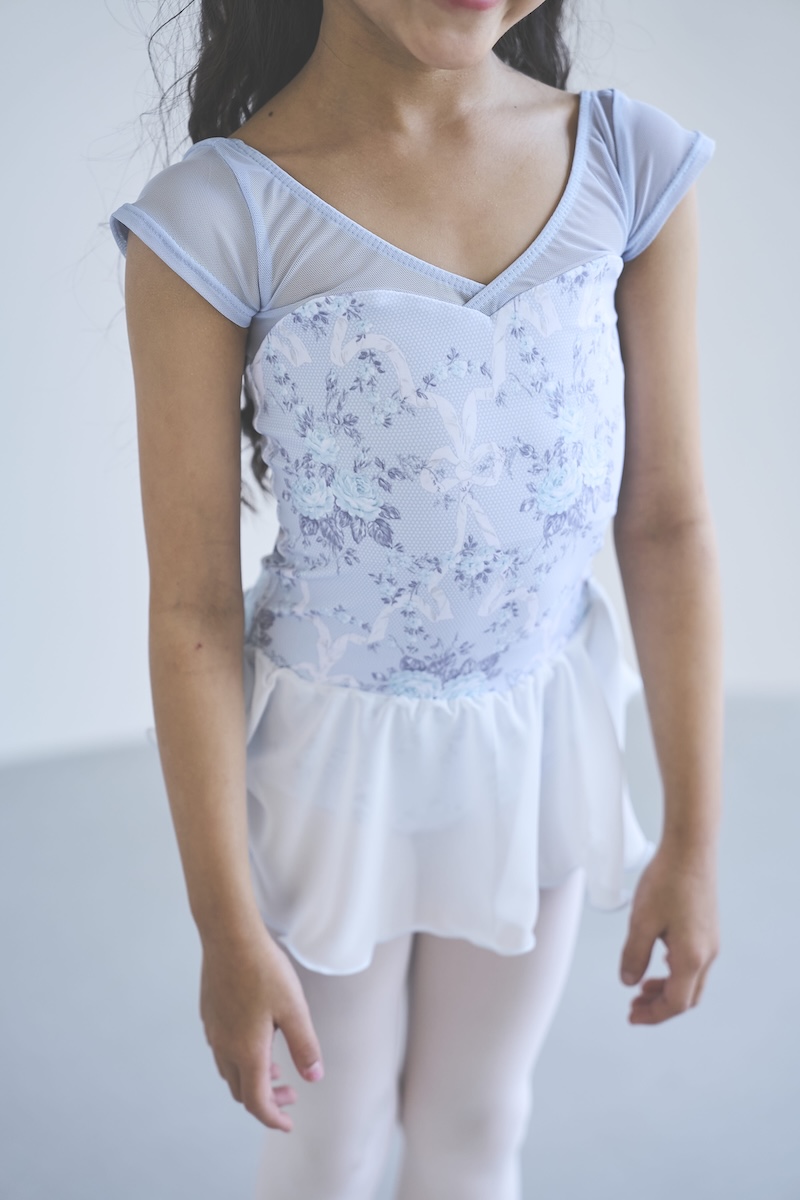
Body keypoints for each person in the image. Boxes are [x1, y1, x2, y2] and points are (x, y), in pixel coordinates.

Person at [109, 1, 724, 1196]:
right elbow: (192, 608)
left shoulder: (627, 164)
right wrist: (224, 928)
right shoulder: (218, 217)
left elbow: (665, 522)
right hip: (329, 780)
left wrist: (692, 839)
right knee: (327, 1143)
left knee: (478, 1120)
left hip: (531, 751)